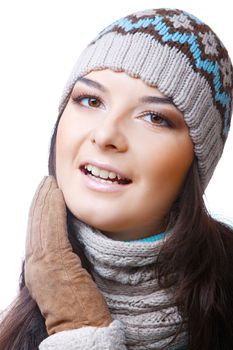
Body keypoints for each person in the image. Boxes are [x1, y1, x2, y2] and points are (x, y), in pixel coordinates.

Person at [0, 7, 233, 350]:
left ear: (197, 160)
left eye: (154, 117)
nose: (106, 134)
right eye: (90, 100)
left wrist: (77, 323)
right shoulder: (17, 315)